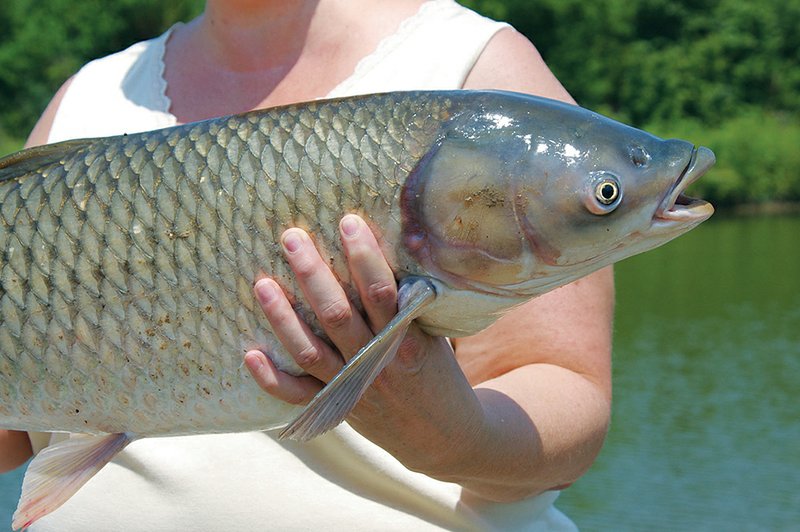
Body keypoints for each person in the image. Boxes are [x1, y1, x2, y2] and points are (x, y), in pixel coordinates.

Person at [0, 0, 613, 529]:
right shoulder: (87, 94)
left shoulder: (474, 66)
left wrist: (455, 435)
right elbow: (15, 435)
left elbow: (564, 390)